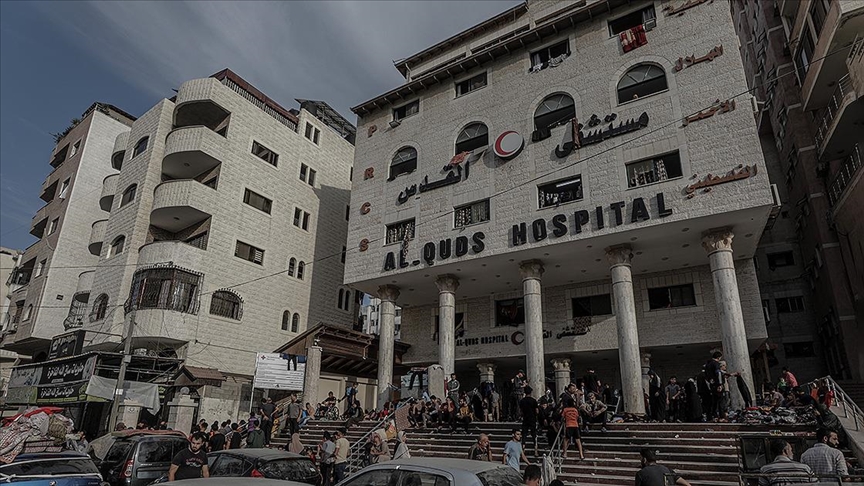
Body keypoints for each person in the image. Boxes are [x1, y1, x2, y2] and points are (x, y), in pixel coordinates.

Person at [519, 386, 539, 453]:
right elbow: (537, 411)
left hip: (525, 418)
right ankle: (535, 449)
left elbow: (521, 411)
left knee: (524, 434)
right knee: (534, 434)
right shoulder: (533, 400)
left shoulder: (522, 401)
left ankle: (523, 448)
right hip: (532, 418)